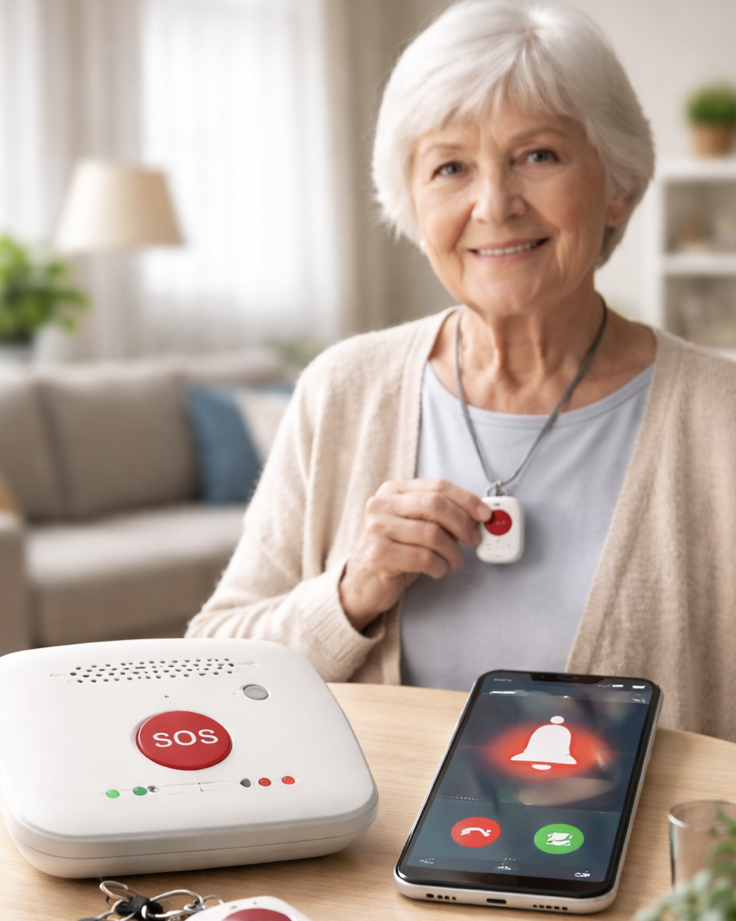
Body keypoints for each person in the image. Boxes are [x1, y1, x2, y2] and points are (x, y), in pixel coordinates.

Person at [188, 1, 736, 742]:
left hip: (648, 861)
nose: (494, 204)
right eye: (450, 167)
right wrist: (351, 593)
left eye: (538, 155)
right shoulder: (342, 390)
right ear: (413, 203)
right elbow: (209, 666)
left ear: (617, 184)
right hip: (374, 858)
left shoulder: (721, 416)